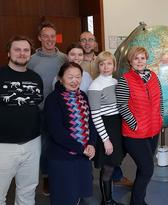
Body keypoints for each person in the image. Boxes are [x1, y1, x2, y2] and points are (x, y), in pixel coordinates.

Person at [44, 62, 97, 205]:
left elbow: (90, 123)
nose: (75, 81)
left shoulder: (83, 96)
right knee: (63, 198)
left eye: (78, 77)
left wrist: (91, 144)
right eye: (70, 77)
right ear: (60, 78)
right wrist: (82, 148)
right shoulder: (53, 99)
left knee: (78, 195)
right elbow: (57, 131)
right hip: (62, 159)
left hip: (82, 158)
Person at [116, 46, 163, 205]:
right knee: (148, 168)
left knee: (144, 168)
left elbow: (160, 99)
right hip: (134, 134)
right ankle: (136, 202)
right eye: (136, 58)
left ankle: (139, 198)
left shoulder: (153, 77)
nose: (140, 61)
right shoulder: (125, 79)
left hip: (153, 130)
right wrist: (134, 124)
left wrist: (160, 118)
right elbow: (122, 105)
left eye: (142, 58)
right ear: (130, 61)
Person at [0, 36, 43, 205]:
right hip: (3, 146)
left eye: (26, 50)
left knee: (28, 190)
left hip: (32, 143)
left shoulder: (35, 78)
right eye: (17, 49)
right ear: (9, 53)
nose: (22, 53)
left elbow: (36, 107)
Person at [27, 21, 67, 196]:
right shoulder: (31, 60)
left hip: (63, 110)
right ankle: (47, 177)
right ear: (39, 38)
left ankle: (63, 175)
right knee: (44, 146)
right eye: (46, 36)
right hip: (41, 111)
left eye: (52, 36)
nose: (50, 40)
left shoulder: (64, 58)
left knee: (63, 143)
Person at [88, 51, 125, 205]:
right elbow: (96, 116)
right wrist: (105, 140)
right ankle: (107, 201)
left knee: (113, 163)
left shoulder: (116, 82)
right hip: (105, 127)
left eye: (109, 63)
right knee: (107, 167)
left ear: (114, 65)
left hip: (117, 125)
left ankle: (108, 199)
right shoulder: (95, 86)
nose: (105, 67)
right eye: (102, 64)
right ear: (98, 66)